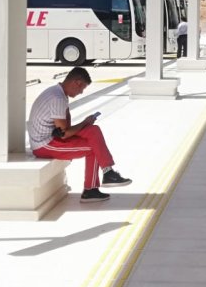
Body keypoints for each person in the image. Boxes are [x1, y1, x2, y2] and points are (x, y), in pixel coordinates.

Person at [27, 67, 132, 203]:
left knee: (93, 130)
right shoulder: (57, 98)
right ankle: (91, 189)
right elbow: (65, 133)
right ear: (76, 82)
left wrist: (86, 124)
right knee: (94, 147)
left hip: (54, 137)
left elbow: (63, 129)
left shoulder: (58, 93)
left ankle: (107, 173)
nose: (81, 92)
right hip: (44, 145)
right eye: (82, 88)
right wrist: (84, 122)